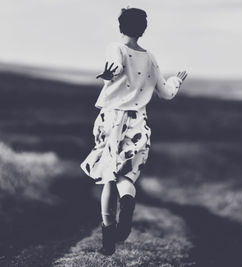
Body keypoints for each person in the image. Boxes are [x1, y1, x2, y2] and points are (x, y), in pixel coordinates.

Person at [80, 7, 188, 256]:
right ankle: (127, 201)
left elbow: (116, 65)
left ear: (120, 26)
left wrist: (111, 74)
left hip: (112, 120)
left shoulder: (115, 47)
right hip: (137, 122)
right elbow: (167, 93)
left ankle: (108, 238)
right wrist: (177, 80)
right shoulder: (150, 57)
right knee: (126, 175)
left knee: (109, 175)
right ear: (144, 29)